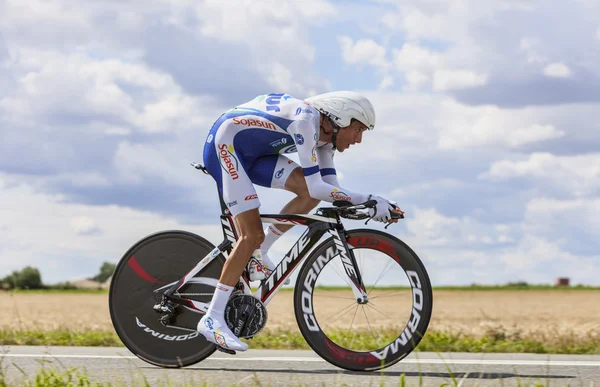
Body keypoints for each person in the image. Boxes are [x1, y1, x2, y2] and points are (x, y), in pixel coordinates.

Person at [197, 91, 404, 352]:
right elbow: (321, 188)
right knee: (251, 235)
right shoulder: (306, 122)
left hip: (256, 152)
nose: (359, 139)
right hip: (226, 145)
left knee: (305, 196)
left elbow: (329, 189)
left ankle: (260, 254)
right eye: (358, 129)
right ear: (340, 118)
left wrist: (369, 205)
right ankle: (213, 318)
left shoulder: (326, 139)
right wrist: (370, 199)